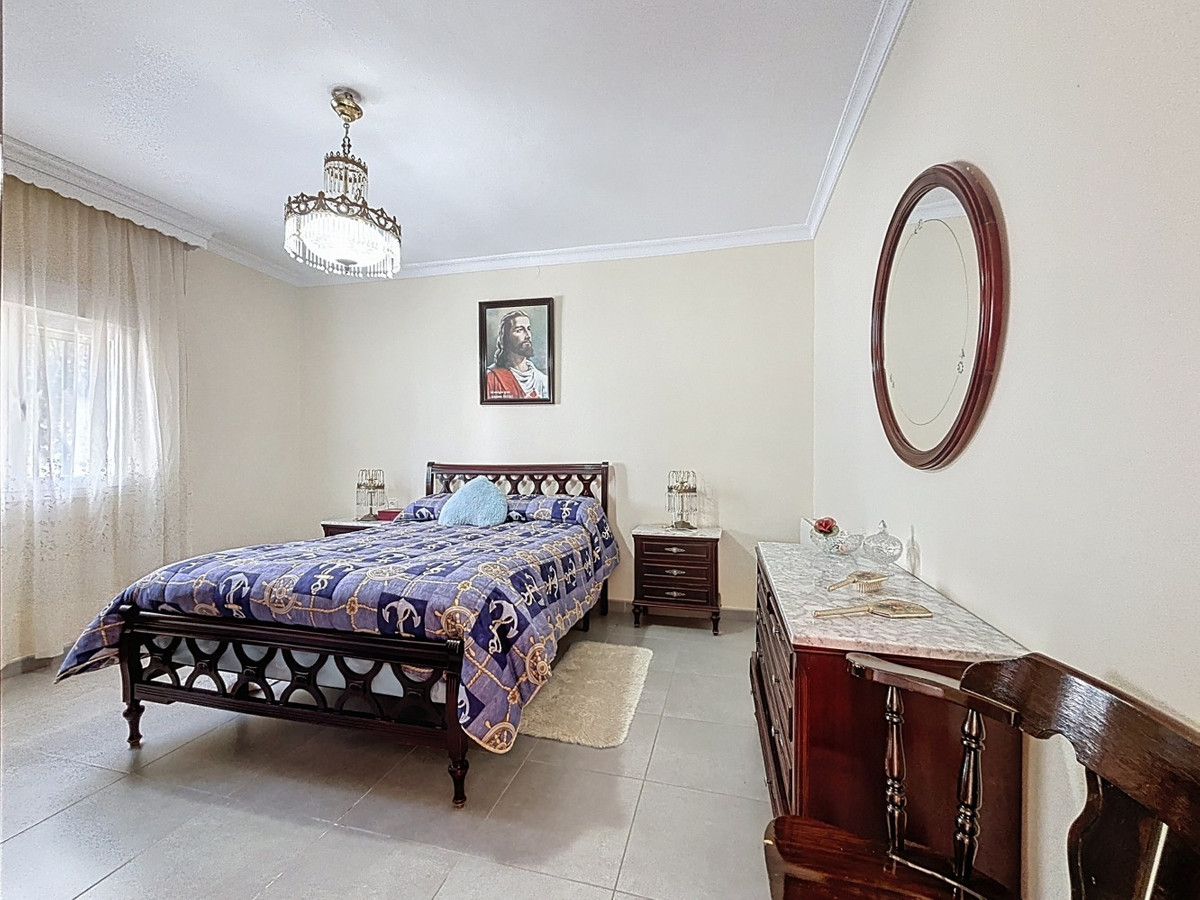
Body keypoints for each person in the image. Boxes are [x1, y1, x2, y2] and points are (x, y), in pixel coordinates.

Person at [485, 310, 549, 400]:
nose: (528, 335)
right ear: (506, 337)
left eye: (528, 329)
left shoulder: (543, 380)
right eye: (519, 330)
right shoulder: (491, 377)